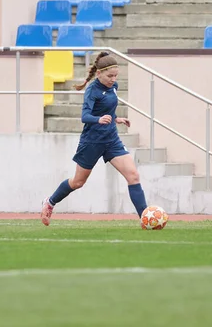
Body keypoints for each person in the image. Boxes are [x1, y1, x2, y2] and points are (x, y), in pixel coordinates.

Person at [40, 52, 148, 226]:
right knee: (78, 182)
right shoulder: (91, 90)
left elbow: (108, 109)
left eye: (116, 75)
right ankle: (50, 202)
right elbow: (85, 116)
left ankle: (146, 218)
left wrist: (116, 119)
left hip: (111, 139)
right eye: (109, 76)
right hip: (92, 141)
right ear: (99, 74)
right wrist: (98, 119)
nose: (113, 79)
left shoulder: (114, 86)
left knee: (133, 175)